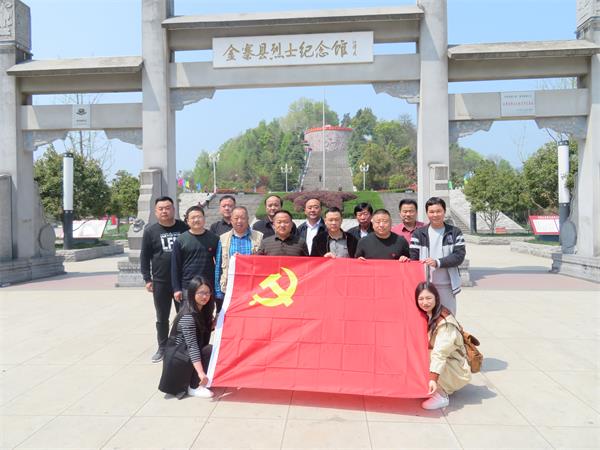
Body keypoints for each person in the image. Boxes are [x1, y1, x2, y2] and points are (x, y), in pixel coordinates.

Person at [140, 196, 189, 363]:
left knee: (184, 316)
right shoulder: (150, 231)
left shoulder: (183, 228)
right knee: (162, 317)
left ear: (173, 209)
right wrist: (147, 279)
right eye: (161, 209)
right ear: (156, 212)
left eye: (168, 208)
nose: (164, 211)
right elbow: (145, 257)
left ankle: (182, 346)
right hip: (160, 282)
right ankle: (162, 347)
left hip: (181, 282)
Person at [415, 282, 470, 410]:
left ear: (436, 298)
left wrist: (433, 378)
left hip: (455, 369)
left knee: (424, 356)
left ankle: (441, 394)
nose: (425, 302)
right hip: (445, 363)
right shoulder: (429, 314)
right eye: (421, 299)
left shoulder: (445, 323)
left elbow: (440, 353)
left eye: (428, 298)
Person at [162, 277, 216, 399]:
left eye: (207, 293)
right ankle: (193, 386)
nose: (205, 296)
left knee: (209, 349)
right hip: (178, 359)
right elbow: (192, 346)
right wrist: (201, 373)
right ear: (192, 293)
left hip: (185, 354)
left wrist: (212, 325)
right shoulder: (188, 316)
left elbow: (199, 333)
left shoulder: (202, 310)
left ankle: (196, 381)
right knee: (208, 350)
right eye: (201, 293)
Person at [410, 197, 465, 315]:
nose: (435, 215)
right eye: (431, 212)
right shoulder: (418, 234)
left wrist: (438, 262)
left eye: (438, 211)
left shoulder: (455, 232)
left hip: (447, 286)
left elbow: (459, 256)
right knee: (426, 319)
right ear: (427, 213)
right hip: (426, 286)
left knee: (448, 318)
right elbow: (413, 259)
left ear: (444, 211)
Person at [215, 206, 263, 308]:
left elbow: (264, 262)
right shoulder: (223, 239)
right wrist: (218, 291)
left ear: (248, 219)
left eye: (243, 218)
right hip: (230, 287)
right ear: (231, 220)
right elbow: (218, 266)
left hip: (253, 287)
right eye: (236, 218)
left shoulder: (259, 237)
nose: (239, 221)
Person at [171, 206, 219, 306]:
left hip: (207, 286)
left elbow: (219, 263)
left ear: (204, 219)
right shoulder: (181, 240)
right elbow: (175, 266)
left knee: (207, 314)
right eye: (193, 218)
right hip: (187, 286)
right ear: (187, 221)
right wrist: (176, 288)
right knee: (188, 314)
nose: (196, 220)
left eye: (199, 217)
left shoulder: (214, 239)